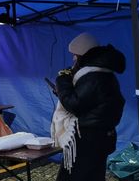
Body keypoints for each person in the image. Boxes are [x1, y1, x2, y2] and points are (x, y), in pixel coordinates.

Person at [51, 33, 126, 181]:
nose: (73, 59)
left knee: (77, 177)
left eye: (75, 55)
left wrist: (63, 82)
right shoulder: (103, 74)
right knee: (92, 176)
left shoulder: (93, 76)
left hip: (87, 140)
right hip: (98, 137)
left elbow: (75, 104)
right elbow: (87, 102)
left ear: (84, 54)